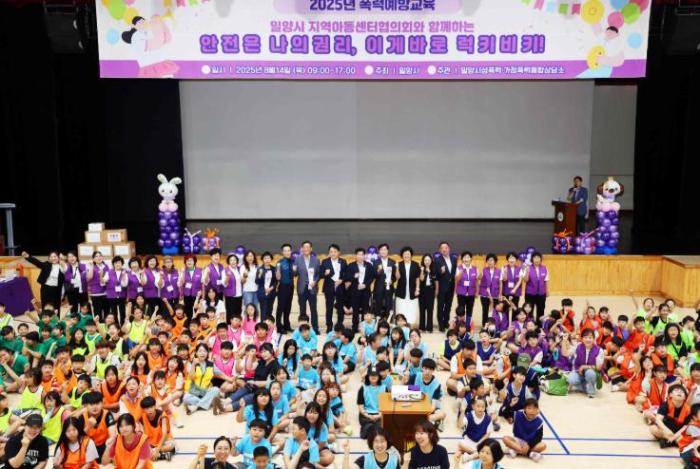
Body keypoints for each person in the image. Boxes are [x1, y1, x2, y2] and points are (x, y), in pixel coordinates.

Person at [295, 241, 321, 334]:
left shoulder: (316, 260)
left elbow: (319, 274)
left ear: (311, 249)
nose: (306, 249)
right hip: (302, 287)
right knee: (302, 309)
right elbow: (295, 274)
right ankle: (303, 328)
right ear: (302, 249)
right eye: (304, 247)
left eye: (308, 247)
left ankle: (315, 328)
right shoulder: (297, 260)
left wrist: (315, 281)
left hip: (312, 288)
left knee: (313, 309)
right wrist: (293, 270)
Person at [345, 248, 374, 333]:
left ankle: (364, 327)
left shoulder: (369, 265)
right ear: (355, 255)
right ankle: (355, 327)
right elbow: (347, 277)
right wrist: (354, 276)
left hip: (365, 291)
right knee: (355, 310)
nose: (360, 256)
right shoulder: (351, 265)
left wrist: (365, 285)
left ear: (364, 256)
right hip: (355, 291)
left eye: (362, 254)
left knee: (365, 310)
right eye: (358, 254)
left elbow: (371, 277)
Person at [320, 244, 347, 333]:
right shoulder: (325, 261)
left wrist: (341, 280)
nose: (333, 253)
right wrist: (325, 273)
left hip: (340, 287)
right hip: (329, 288)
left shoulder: (343, 261)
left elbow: (346, 274)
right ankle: (329, 326)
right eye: (331, 252)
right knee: (329, 308)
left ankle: (340, 325)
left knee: (340, 307)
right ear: (329, 253)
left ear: (339, 252)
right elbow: (320, 275)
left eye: (335, 251)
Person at [394, 247, 420, 328]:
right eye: (405, 254)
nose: (407, 256)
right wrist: (397, 268)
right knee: (401, 308)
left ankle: (410, 326)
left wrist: (417, 289)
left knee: (412, 309)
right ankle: (401, 326)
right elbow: (397, 277)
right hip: (401, 292)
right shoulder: (399, 264)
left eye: (408, 254)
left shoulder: (415, 264)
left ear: (411, 255)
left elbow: (417, 278)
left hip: (412, 292)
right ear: (402, 255)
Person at [435, 242, 457, 332]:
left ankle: (445, 322)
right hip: (441, 287)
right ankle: (441, 324)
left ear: (449, 248)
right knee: (440, 306)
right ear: (440, 250)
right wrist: (441, 272)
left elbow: (454, 273)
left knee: (448, 305)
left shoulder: (453, 259)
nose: (444, 249)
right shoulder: (437, 260)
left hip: (451, 287)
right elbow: (436, 275)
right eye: (442, 248)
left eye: (446, 247)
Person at [371, 244, 396, 321]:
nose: (383, 251)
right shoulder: (375, 262)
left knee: (389, 305)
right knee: (378, 305)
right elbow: (373, 276)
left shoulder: (392, 262)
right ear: (379, 251)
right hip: (378, 288)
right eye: (381, 250)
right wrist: (378, 271)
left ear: (388, 251)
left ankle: (389, 322)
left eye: (385, 249)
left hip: (389, 287)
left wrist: (392, 280)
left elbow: (394, 276)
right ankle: (377, 323)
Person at [275, 244, 295, 334]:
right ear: (282, 252)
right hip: (282, 287)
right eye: (285, 251)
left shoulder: (293, 262)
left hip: (291, 287)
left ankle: (287, 325)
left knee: (288, 307)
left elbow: (295, 274)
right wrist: (278, 270)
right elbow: (278, 278)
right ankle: (279, 326)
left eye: (288, 250)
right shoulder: (280, 263)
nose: (287, 252)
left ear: (291, 251)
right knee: (281, 307)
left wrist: (295, 270)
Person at [418, 254, 437, 332]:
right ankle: (422, 327)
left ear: (431, 261)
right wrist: (422, 270)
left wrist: (436, 290)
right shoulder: (421, 269)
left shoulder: (434, 269)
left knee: (430, 310)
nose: (427, 262)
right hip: (422, 291)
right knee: (422, 310)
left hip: (431, 291)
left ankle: (429, 327)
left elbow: (435, 280)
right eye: (425, 260)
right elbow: (421, 279)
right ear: (423, 261)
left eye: (428, 260)